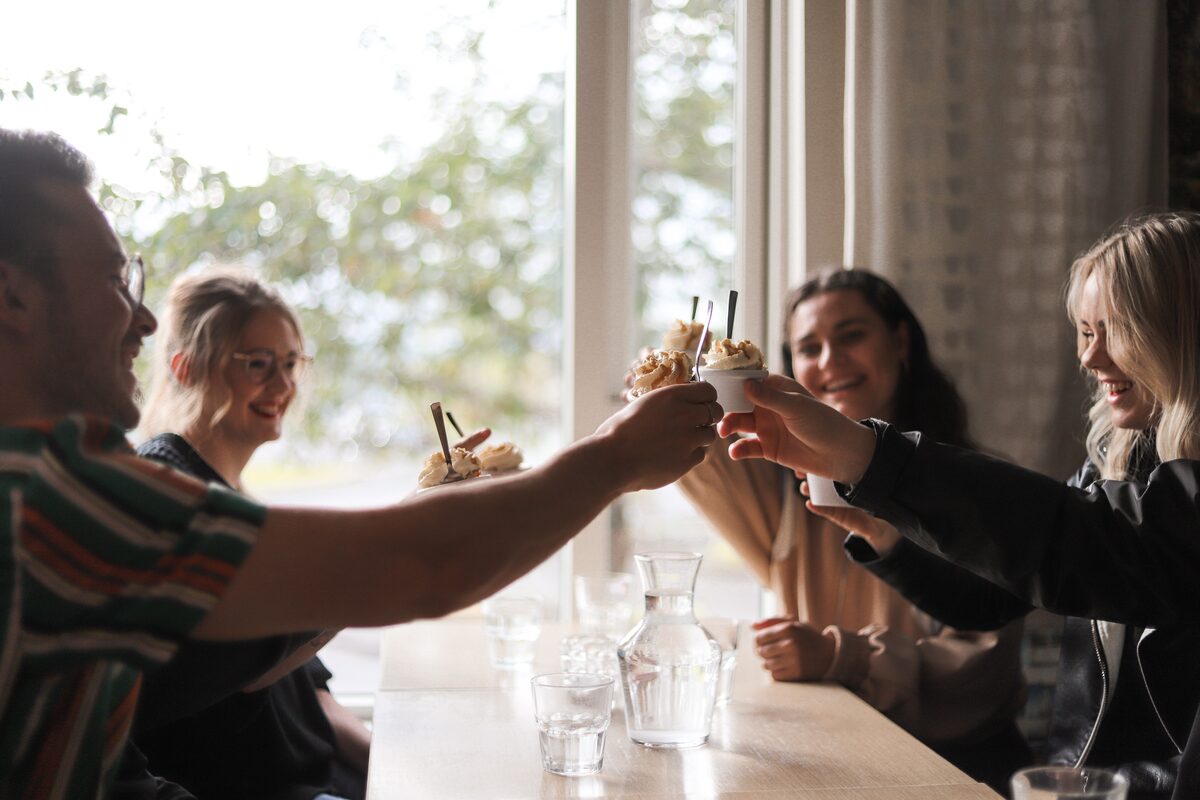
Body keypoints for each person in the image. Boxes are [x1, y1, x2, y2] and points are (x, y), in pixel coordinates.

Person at [0, 127, 720, 798]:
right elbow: (417, 567)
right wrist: (618, 455)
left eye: (291, 364)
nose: (143, 318)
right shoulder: (46, 494)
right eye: (113, 280)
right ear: (13, 297)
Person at [716, 212, 1200, 799]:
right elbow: (989, 596)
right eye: (1084, 330)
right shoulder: (1117, 465)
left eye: (1113, 328)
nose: (1089, 359)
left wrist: (867, 457)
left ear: (1179, 328)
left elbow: (1098, 553)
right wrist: (887, 534)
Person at [674, 269, 1029, 789]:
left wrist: (838, 656)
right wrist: (679, 373)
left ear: (900, 341)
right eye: (809, 348)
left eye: (852, 336)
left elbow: (980, 671)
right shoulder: (787, 489)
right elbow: (694, 454)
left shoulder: (973, 484)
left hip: (954, 772)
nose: (830, 362)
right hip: (831, 763)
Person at [125, 269, 385, 799]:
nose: (284, 384)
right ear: (185, 368)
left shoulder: (238, 502)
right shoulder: (169, 492)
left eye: (290, 363)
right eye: (258, 364)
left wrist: (396, 775)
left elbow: (317, 700)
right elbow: (249, 671)